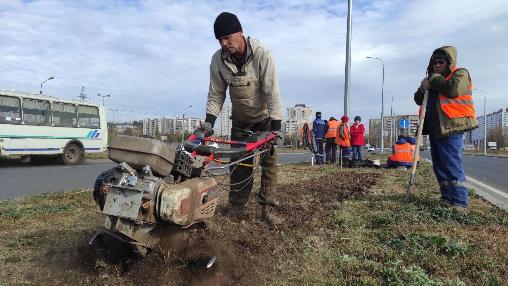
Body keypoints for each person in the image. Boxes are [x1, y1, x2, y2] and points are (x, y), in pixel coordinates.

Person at [198, 12, 284, 225]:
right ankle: (237, 207)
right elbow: (216, 94)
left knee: (269, 164)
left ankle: (267, 209)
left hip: (264, 119)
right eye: (220, 40)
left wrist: (276, 127)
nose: (224, 43)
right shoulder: (218, 60)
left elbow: (272, 92)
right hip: (240, 121)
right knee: (239, 165)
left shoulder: (262, 54)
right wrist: (209, 122)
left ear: (240, 33)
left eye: (227, 38)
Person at [414, 46, 478, 208]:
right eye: (434, 62)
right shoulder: (433, 80)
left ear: (449, 62)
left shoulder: (460, 74)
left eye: (441, 62)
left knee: (451, 163)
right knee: (439, 165)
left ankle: (459, 202)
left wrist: (434, 80)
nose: (437, 65)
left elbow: (453, 90)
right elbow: (418, 99)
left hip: (452, 127)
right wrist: (423, 87)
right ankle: (447, 198)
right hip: (436, 129)